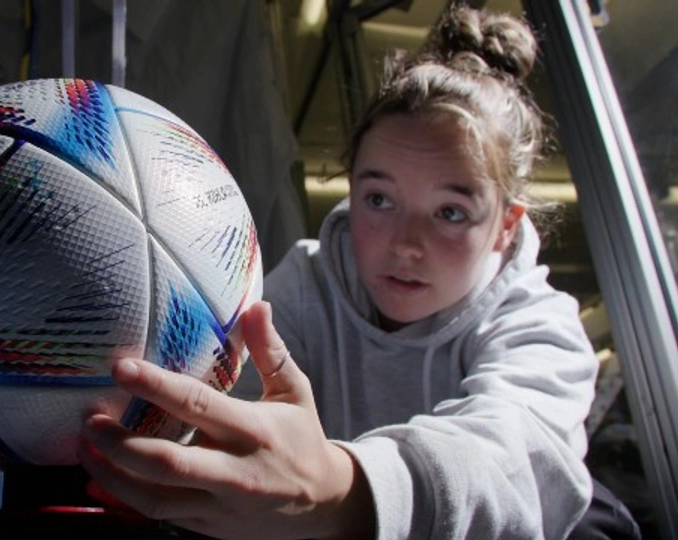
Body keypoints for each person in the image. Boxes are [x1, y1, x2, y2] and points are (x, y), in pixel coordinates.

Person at [76, 4, 629, 539]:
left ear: (507, 226)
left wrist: (338, 491)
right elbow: (228, 415)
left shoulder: (539, 324)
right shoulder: (305, 282)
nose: (405, 244)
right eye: (379, 199)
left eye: (451, 212)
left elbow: (512, 461)